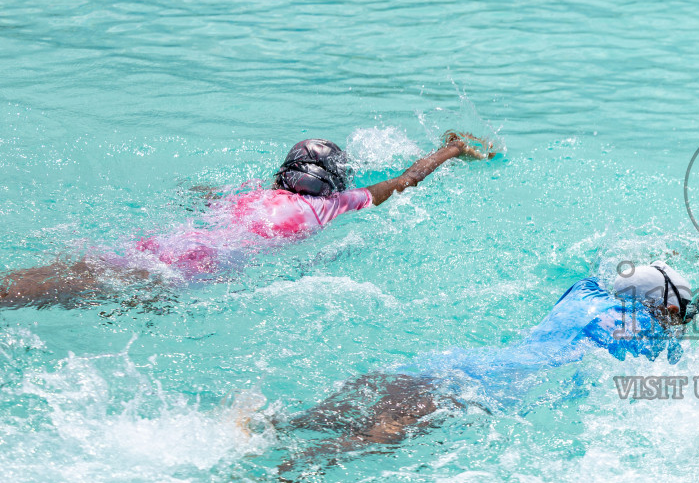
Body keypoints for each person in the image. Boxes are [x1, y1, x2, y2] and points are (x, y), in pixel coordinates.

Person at [267, 261, 697, 469]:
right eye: (682, 313)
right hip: (469, 392)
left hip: (442, 364)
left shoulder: (583, 294)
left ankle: (256, 426)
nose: (682, 323)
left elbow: (605, 274)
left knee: (293, 425)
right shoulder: (649, 333)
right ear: (659, 308)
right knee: (356, 445)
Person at [0, 131, 495, 310]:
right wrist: (450, 148)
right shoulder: (334, 205)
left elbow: (200, 198)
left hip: (160, 242)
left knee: (68, 275)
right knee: (85, 289)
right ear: (334, 181)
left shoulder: (250, 195)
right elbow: (408, 180)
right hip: (202, 266)